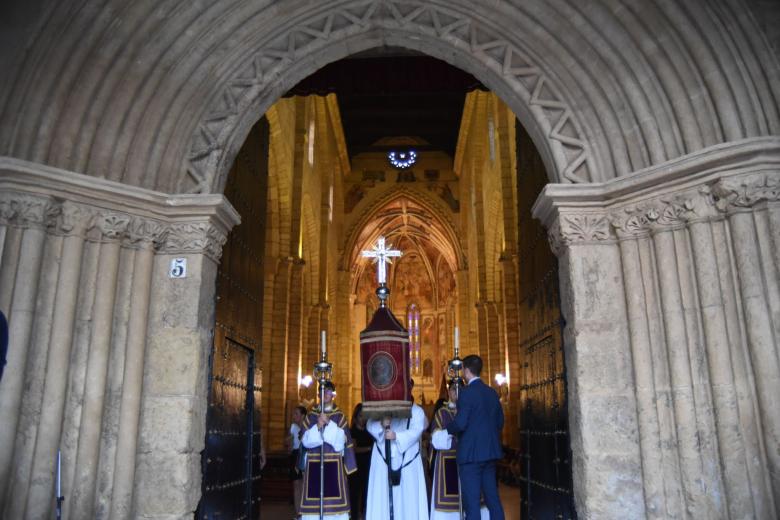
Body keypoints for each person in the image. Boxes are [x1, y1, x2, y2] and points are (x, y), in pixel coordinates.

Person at [446, 355, 505, 520]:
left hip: (471, 457)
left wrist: (446, 430)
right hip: (490, 454)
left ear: (465, 370)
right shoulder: (492, 393)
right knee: (493, 500)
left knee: (472, 505)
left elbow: (460, 423)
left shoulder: (466, 394)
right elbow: (500, 422)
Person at [365, 381, 429, 519]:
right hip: (383, 461)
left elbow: (416, 430)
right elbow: (370, 424)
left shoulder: (417, 411)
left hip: (408, 462)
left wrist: (396, 436)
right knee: (382, 502)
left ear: (410, 388)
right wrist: (382, 424)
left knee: (409, 502)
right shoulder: (381, 407)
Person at [430, 378, 489, 519]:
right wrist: (452, 432)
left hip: (470, 459)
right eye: (453, 390)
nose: (456, 392)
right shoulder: (442, 413)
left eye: (459, 390)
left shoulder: (471, 411)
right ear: (449, 392)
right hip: (447, 462)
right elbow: (436, 439)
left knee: (472, 498)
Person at [299, 381, 356, 520]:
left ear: (333, 395)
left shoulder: (340, 416)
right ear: (318, 394)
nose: (325, 395)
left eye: (329, 392)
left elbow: (341, 442)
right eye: (322, 392)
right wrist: (318, 425)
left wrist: (329, 424)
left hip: (334, 467)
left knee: (333, 510)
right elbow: (305, 441)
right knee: (313, 510)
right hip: (314, 466)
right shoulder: (311, 417)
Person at [349, 403, 373, 520]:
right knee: (354, 495)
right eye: (360, 416)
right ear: (355, 417)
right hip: (356, 466)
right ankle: (354, 517)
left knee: (366, 494)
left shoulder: (369, 431)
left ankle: (365, 516)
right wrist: (369, 449)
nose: (363, 419)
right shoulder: (352, 431)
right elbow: (354, 449)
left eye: (364, 416)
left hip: (368, 465)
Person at [288, 405, 306, 518]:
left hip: (304, 454)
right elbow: (288, 441)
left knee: (304, 483)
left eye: (296, 414)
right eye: (294, 413)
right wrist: (288, 441)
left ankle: (305, 512)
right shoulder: (293, 427)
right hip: (295, 454)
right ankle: (298, 513)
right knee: (296, 484)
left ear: (303, 416)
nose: (294, 416)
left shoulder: (308, 426)